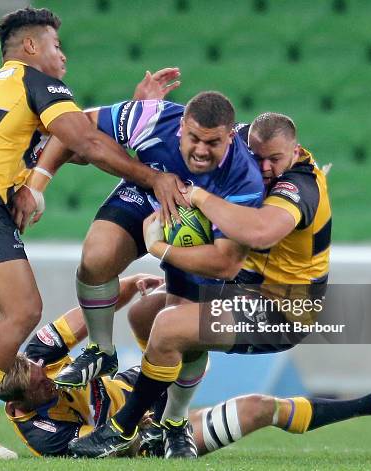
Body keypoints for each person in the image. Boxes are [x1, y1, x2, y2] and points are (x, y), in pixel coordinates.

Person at [0, 7, 186, 459]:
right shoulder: (37, 81)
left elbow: (77, 146)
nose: (62, 56)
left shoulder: (5, 86)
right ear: (31, 46)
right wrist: (154, 177)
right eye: (56, 45)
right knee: (24, 311)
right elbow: (85, 141)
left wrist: (138, 111)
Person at [68, 112, 336, 458]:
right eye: (259, 157)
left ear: (296, 153)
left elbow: (259, 231)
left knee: (170, 327)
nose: (266, 167)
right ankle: (169, 423)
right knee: (145, 315)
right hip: (244, 288)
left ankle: (124, 428)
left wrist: (189, 210)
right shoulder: (235, 147)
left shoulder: (298, 186)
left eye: (276, 159)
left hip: (283, 308)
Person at [16, 92, 264, 393]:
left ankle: (174, 419)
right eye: (193, 138)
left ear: (230, 136)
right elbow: (74, 128)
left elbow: (225, 264)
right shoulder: (154, 116)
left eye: (212, 143)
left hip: (202, 232)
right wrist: (37, 186)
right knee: (97, 257)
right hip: (147, 197)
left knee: (183, 330)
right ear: (182, 125)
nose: (200, 150)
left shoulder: (245, 179)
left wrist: (161, 248)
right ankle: (101, 350)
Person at [0, 301, 371, 458]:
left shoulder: (37, 359)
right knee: (262, 408)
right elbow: (109, 449)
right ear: (19, 407)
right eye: (43, 388)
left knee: (145, 312)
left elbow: (88, 310)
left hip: (142, 388)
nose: (51, 381)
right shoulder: (42, 435)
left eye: (45, 375)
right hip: (146, 440)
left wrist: (128, 283)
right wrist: (144, 427)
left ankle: (207, 329)